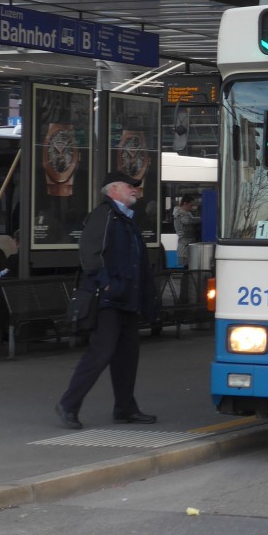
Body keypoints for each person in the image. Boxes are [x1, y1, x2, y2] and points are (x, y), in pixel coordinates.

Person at [55, 171, 160, 430]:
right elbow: (90, 254)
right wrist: (107, 283)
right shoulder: (105, 215)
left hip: (126, 298)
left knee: (127, 356)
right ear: (113, 190)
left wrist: (148, 298)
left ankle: (125, 408)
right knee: (100, 353)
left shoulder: (126, 220)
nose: (135, 189)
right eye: (130, 186)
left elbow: (139, 264)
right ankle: (68, 404)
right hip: (108, 299)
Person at [171, 193, 202, 268]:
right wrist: (202, 219)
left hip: (188, 244)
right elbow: (188, 221)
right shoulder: (180, 213)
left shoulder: (186, 213)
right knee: (186, 268)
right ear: (185, 203)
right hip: (185, 246)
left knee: (189, 269)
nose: (192, 208)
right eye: (190, 205)